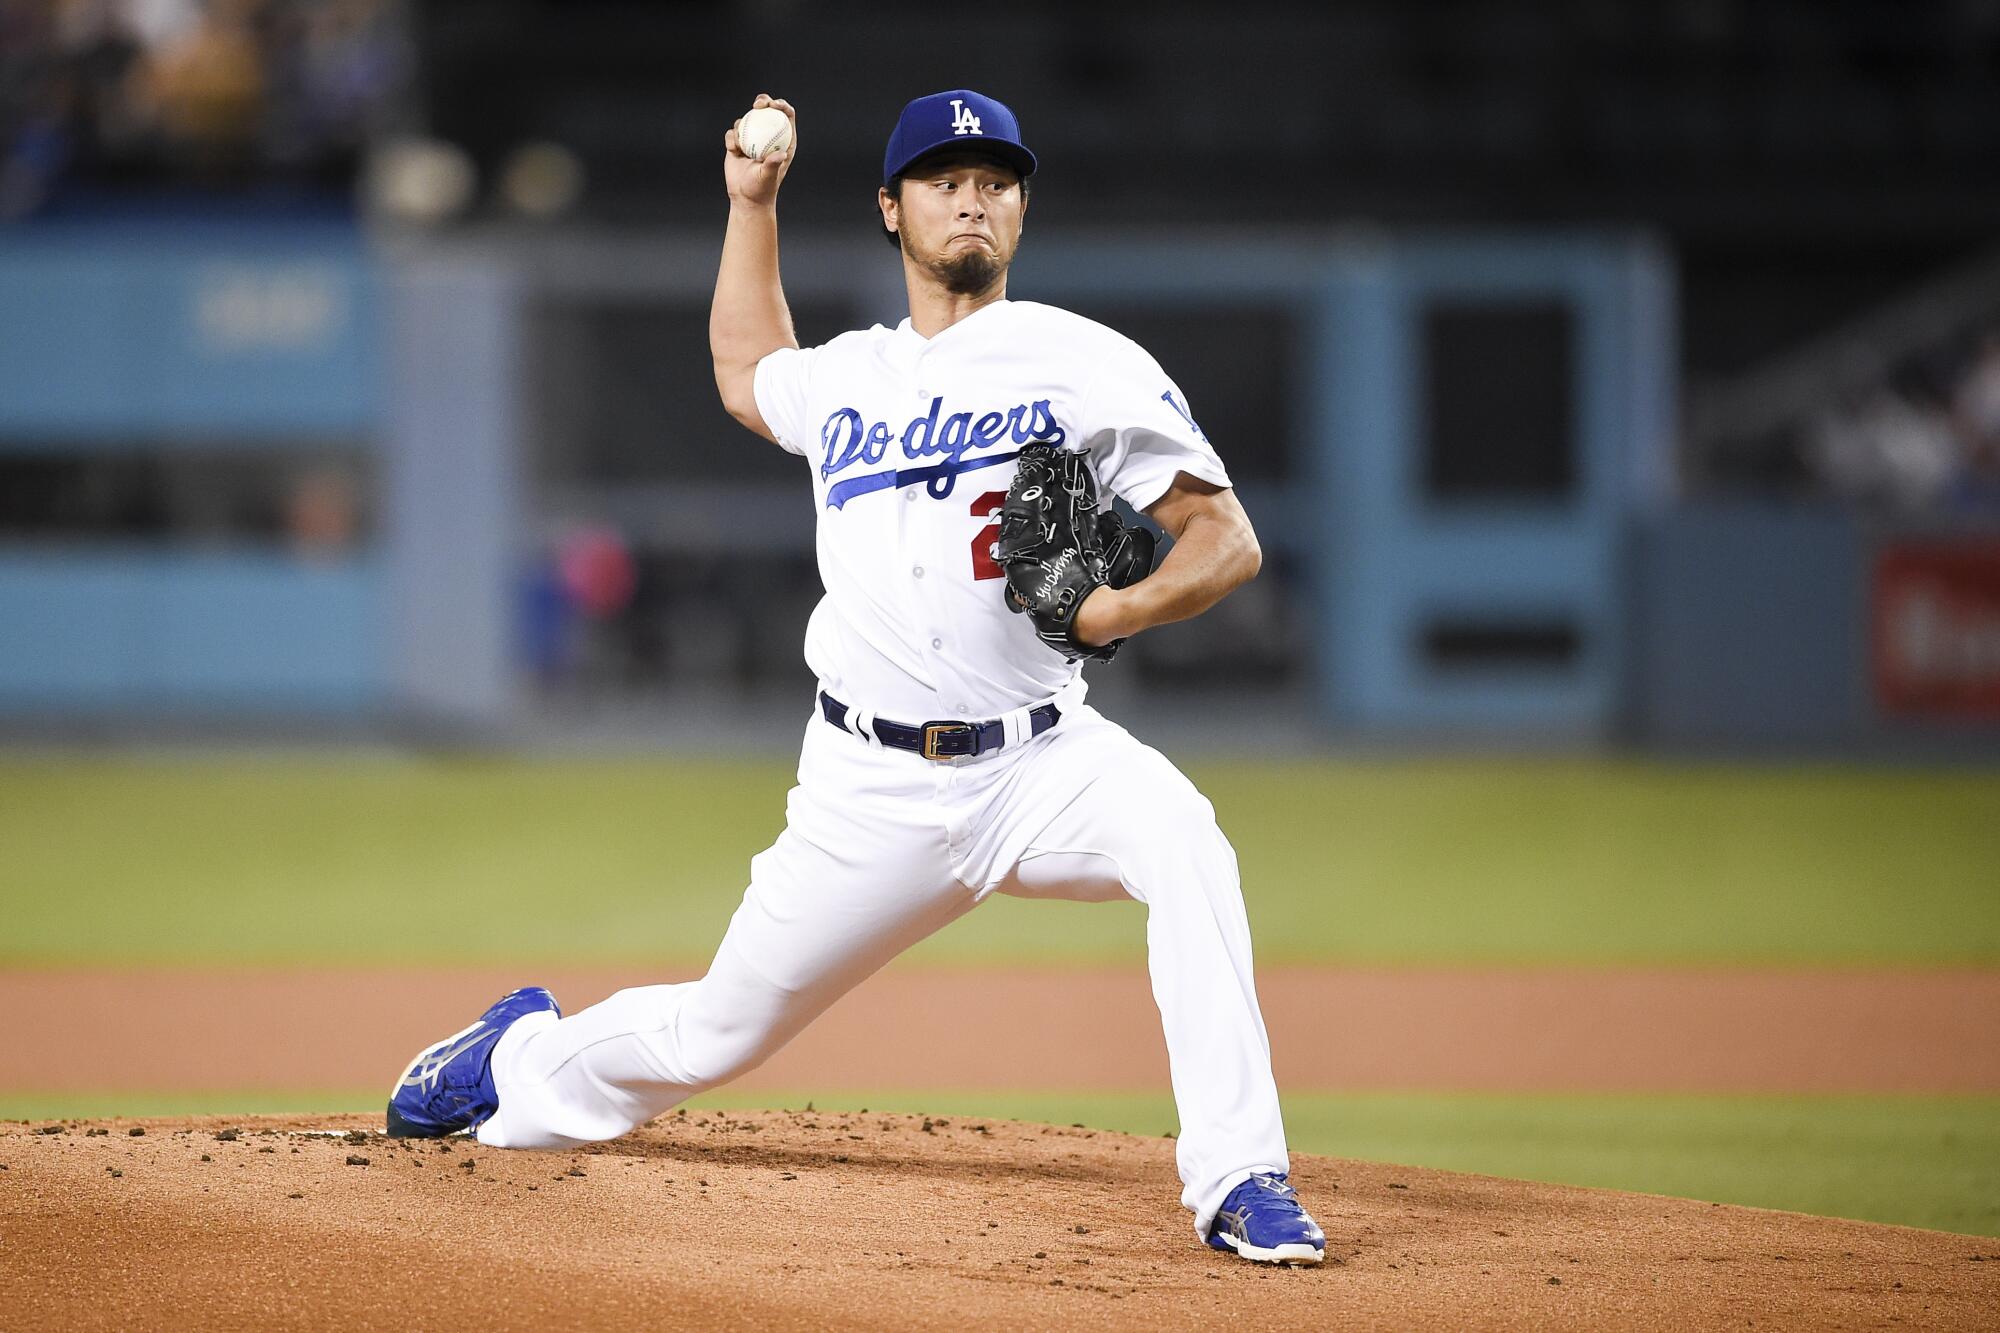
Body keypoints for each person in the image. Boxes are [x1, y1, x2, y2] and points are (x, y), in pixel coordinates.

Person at [387, 88, 1324, 1266]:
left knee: (1184, 842)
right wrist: (751, 201)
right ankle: (515, 1056)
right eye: (943, 180)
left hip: (1040, 759)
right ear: (892, 211)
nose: (971, 197)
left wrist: (1117, 606)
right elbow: (743, 368)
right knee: (712, 1033)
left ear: (1021, 212)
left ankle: (1239, 1175)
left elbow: (1224, 538)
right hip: (865, 786)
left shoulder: (1084, 362)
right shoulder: (846, 380)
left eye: (994, 181)